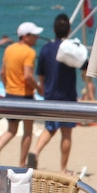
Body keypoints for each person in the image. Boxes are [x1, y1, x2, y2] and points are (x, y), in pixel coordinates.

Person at [0, 21, 42, 168]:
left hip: (10, 95)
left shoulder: (9, 49)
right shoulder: (29, 52)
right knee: (28, 131)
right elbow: (28, 76)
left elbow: (2, 73)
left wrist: (8, 88)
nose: (37, 37)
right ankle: (22, 164)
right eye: (34, 35)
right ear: (26, 36)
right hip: (25, 95)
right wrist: (38, 88)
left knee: (11, 129)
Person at [30, 14, 78, 174]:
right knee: (66, 132)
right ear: (69, 30)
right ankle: (63, 168)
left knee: (50, 128)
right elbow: (85, 65)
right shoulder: (71, 48)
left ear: (53, 30)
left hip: (50, 96)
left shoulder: (46, 48)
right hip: (67, 97)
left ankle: (35, 151)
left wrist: (43, 89)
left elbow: (40, 74)